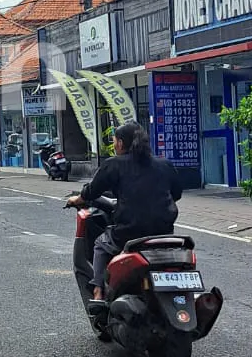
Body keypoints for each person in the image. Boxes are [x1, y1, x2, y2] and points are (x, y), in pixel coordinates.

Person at [66, 121, 182, 308]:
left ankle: (98, 291)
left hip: (128, 233)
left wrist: (76, 199)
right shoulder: (164, 164)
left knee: (100, 245)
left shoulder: (114, 164)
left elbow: (92, 191)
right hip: (164, 233)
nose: (114, 146)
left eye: (114, 142)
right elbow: (176, 193)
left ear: (120, 143)